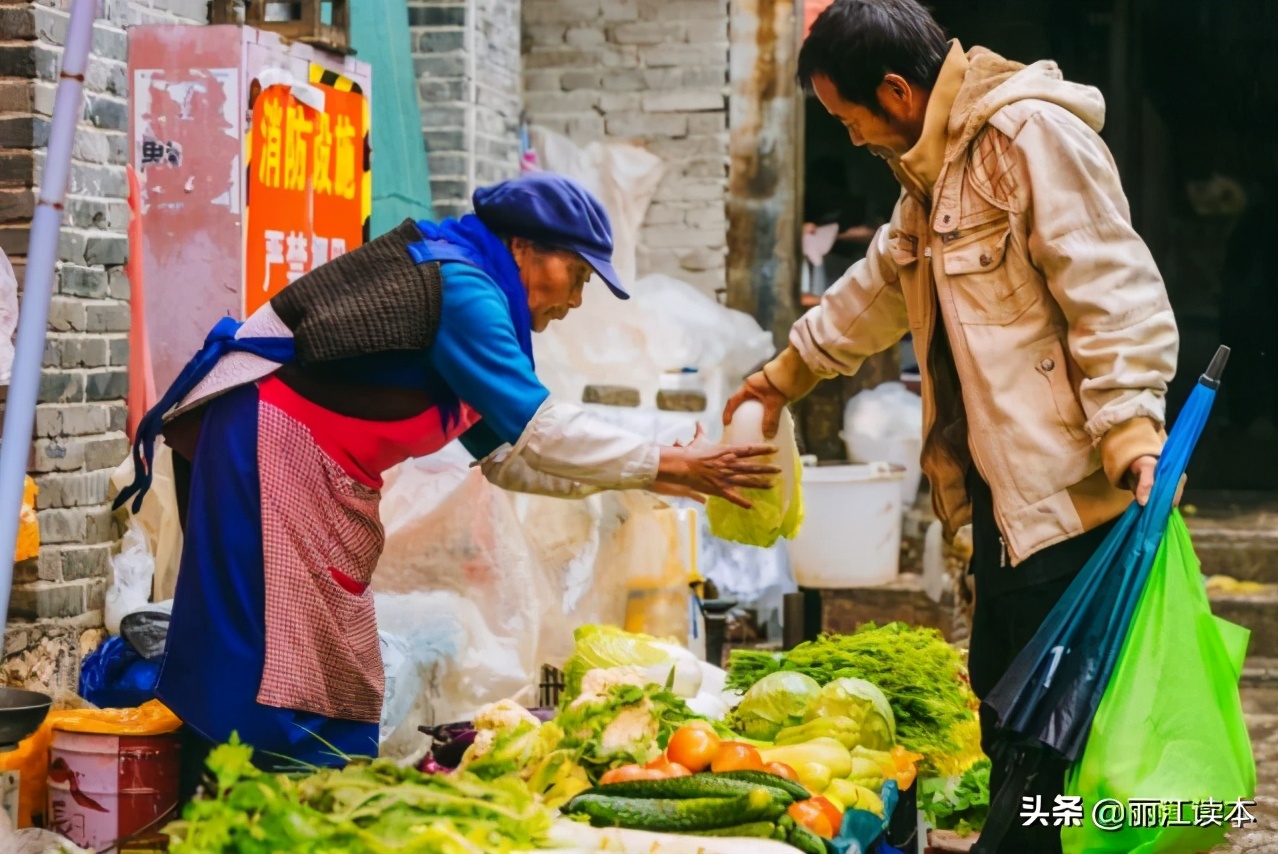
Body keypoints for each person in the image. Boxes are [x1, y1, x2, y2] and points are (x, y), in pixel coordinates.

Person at [114, 172, 779, 793]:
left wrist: (655, 476)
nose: (577, 301)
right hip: (267, 439)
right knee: (274, 645)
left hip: (308, 456)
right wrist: (665, 462)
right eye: (575, 276)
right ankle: (250, 796)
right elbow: (543, 429)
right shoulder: (462, 288)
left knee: (314, 646)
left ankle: (296, 791)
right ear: (522, 248)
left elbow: (511, 459)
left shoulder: (479, 294)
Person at [723, 2, 1179, 851]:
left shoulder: (1027, 140)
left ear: (896, 92)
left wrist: (1128, 429)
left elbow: (1113, 289)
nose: (848, 135)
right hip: (1006, 510)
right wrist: (781, 377)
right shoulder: (930, 178)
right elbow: (878, 287)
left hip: (1079, 503)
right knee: (1010, 715)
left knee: (1045, 738)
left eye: (847, 116)